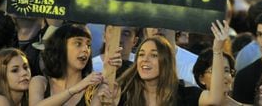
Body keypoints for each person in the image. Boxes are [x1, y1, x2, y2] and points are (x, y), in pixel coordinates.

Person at [93, 20, 229, 106]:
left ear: (166, 61)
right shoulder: (125, 92)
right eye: (141, 54)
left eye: (153, 55)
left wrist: (217, 50)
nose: (145, 59)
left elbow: (215, 99)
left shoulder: (182, 94)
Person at [29, 23, 122, 106]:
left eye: (88, 45)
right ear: (60, 47)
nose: (85, 49)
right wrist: (74, 90)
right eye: (78, 43)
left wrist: (108, 70)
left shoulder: (94, 90)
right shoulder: (40, 82)